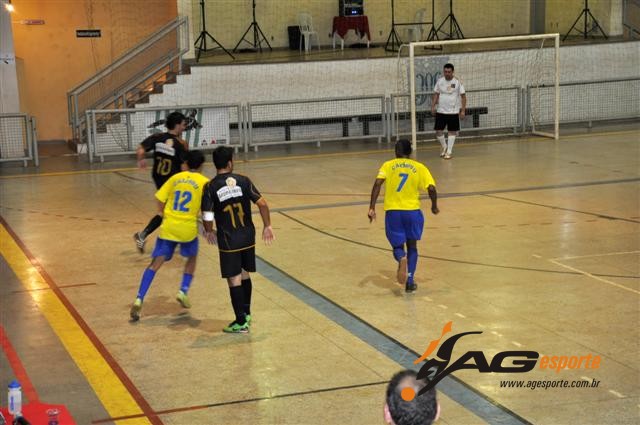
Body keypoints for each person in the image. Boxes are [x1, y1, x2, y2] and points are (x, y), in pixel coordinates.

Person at [201, 146, 275, 334]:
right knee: (244, 273)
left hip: (229, 240)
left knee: (233, 279)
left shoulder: (210, 187)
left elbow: (207, 214)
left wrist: (209, 231)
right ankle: (247, 312)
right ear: (229, 163)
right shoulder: (243, 181)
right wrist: (267, 226)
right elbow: (263, 204)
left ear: (215, 164)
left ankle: (241, 322)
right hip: (247, 236)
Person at [130, 150, 209, 321]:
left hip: (169, 227)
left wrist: (162, 212)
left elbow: (159, 197)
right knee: (192, 258)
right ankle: (183, 290)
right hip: (187, 229)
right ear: (201, 166)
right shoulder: (204, 182)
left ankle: (139, 297)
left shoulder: (175, 178)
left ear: (186, 164)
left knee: (154, 264)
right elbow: (206, 208)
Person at [368, 139, 439, 292]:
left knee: (397, 246)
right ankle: (410, 281)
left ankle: (401, 258)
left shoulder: (388, 165)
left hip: (394, 213)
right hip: (412, 213)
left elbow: (377, 184)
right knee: (412, 246)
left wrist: (372, 207)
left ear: (395, 152)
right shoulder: (419, 167)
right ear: (410, 152)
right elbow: (431, 189)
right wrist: (434, 206)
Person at [133, 111, 189, 252]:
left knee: (169, 211)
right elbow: (184, 169)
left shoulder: (157, 137)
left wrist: (142, 159)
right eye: (183, 125)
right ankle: (144, 235)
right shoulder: (179, 145)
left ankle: (168, 238)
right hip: (171, 181)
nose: (184, 127)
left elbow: (140, 150)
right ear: (177, 125)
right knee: (167, 212)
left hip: (158, 178)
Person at [431, 63, 466, 159]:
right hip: (441, 111)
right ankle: (444, 147)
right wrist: (433, 106)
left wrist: (462, 111)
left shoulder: (458, 82)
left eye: (449, 72)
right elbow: (436, 94)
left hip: (453, 112)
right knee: (438, 131)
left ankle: (449, 151)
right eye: (445, 71)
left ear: (452, 72)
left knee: (452, 131)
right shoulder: (440, 81)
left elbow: (463, 97)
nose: (447, 73)